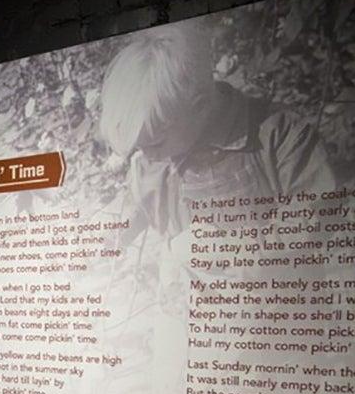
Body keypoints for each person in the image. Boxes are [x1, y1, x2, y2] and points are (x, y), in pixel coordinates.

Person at [98, 21, 335, 243]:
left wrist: (219, 250)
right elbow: (138, 202)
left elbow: (315, 218)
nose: (148, 156)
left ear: (199, 106)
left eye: (156, 143)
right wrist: (108, 233)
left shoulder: (280, 135)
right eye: (141, 147)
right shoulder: (157, 157)